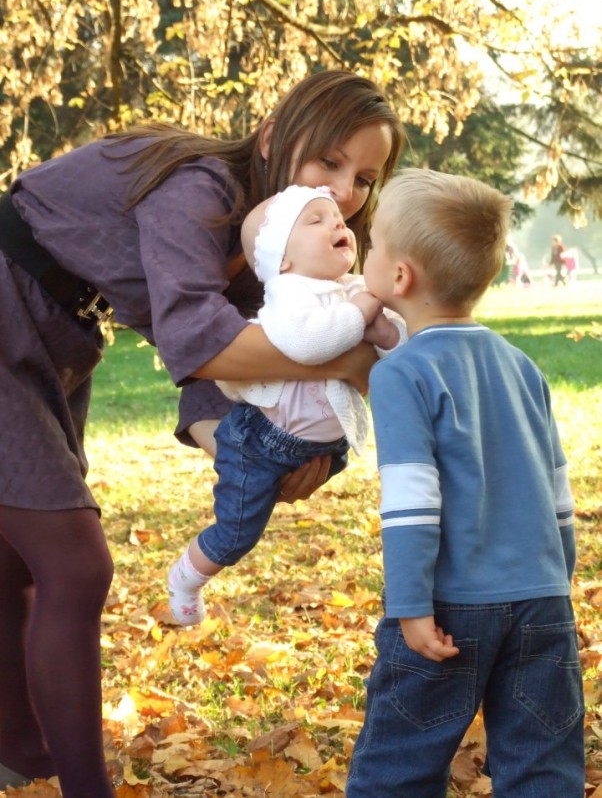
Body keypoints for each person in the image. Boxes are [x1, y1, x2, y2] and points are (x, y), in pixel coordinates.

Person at [0, 70, 404, 794]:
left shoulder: (275, 244)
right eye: (330, 162)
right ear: (278, 137)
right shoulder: (205, 191)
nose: (345, 192)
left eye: (365, 178)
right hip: (6, 301)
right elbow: (201, 340)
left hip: (58, 331)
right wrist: (348, 360)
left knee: (15, 563)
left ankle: (22, 756)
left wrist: (263, 459)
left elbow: (224, 371)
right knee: (73, 563)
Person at [345, 169, 585, 798]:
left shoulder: (401, 374)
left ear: (399, 278)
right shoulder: (522, 365)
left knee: (398, 765)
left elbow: (411, 503)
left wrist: (410, 606)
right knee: (543, 765)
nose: (362, 253)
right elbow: (557, 488)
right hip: (542, 600)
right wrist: (559, 574)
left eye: (370, 246)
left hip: (449, 606)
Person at [168, 185, 405, 625]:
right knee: (237, 532)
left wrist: (388, 336)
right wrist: (361, 313)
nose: (337, 223)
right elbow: (309, 342)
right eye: (315, 221)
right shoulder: (289, 292)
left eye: (337, 218)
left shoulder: (351, 287)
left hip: (323, 446)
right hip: (260, 442)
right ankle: (187, 576)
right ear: (283, 259)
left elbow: (396, 351)